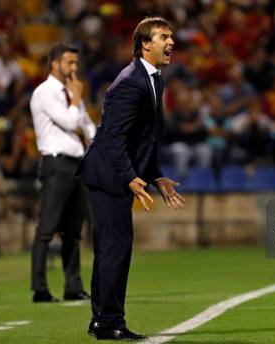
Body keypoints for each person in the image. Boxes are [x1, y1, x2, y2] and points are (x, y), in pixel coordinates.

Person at [76, 17, 185, 340]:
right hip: (108, 174)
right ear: (144, 44)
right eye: (163, 36)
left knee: (112, 248)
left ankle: (102, 319)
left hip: (117, 173)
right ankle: (110, 322)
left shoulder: (154, 79)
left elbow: (144, 139)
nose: (171, 42)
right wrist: (129, 178)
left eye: (171, 36)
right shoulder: (130, 82)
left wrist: (156, 177)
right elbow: (114, 138)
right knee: (115, 248)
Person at [29, 43, 96, 303]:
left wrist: (99, 142)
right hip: (56, 164)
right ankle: (40, 289)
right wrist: (77, 97)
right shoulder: (44, 92)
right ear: (54, 64)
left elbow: (87, 126)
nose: (74, 68)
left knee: (73, 229)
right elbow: (69, 121)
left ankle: (72, 286)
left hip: (77, 164)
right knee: (46, 229)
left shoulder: (71, 93)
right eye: (69, 62)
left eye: (76, 63)